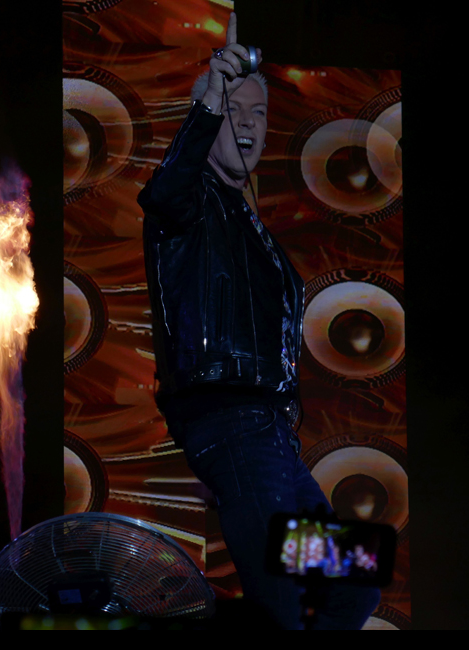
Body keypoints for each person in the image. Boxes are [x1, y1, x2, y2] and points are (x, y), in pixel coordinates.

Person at [138, 12, 380, 629]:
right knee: (278, 607)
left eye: (259, 113)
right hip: (233, 428)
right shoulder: (189, 205)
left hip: (269, 440)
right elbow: (167, 190)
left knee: (353, 578)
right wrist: (207, 104)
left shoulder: (246, 221)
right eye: (233, 110)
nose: (247, 123)